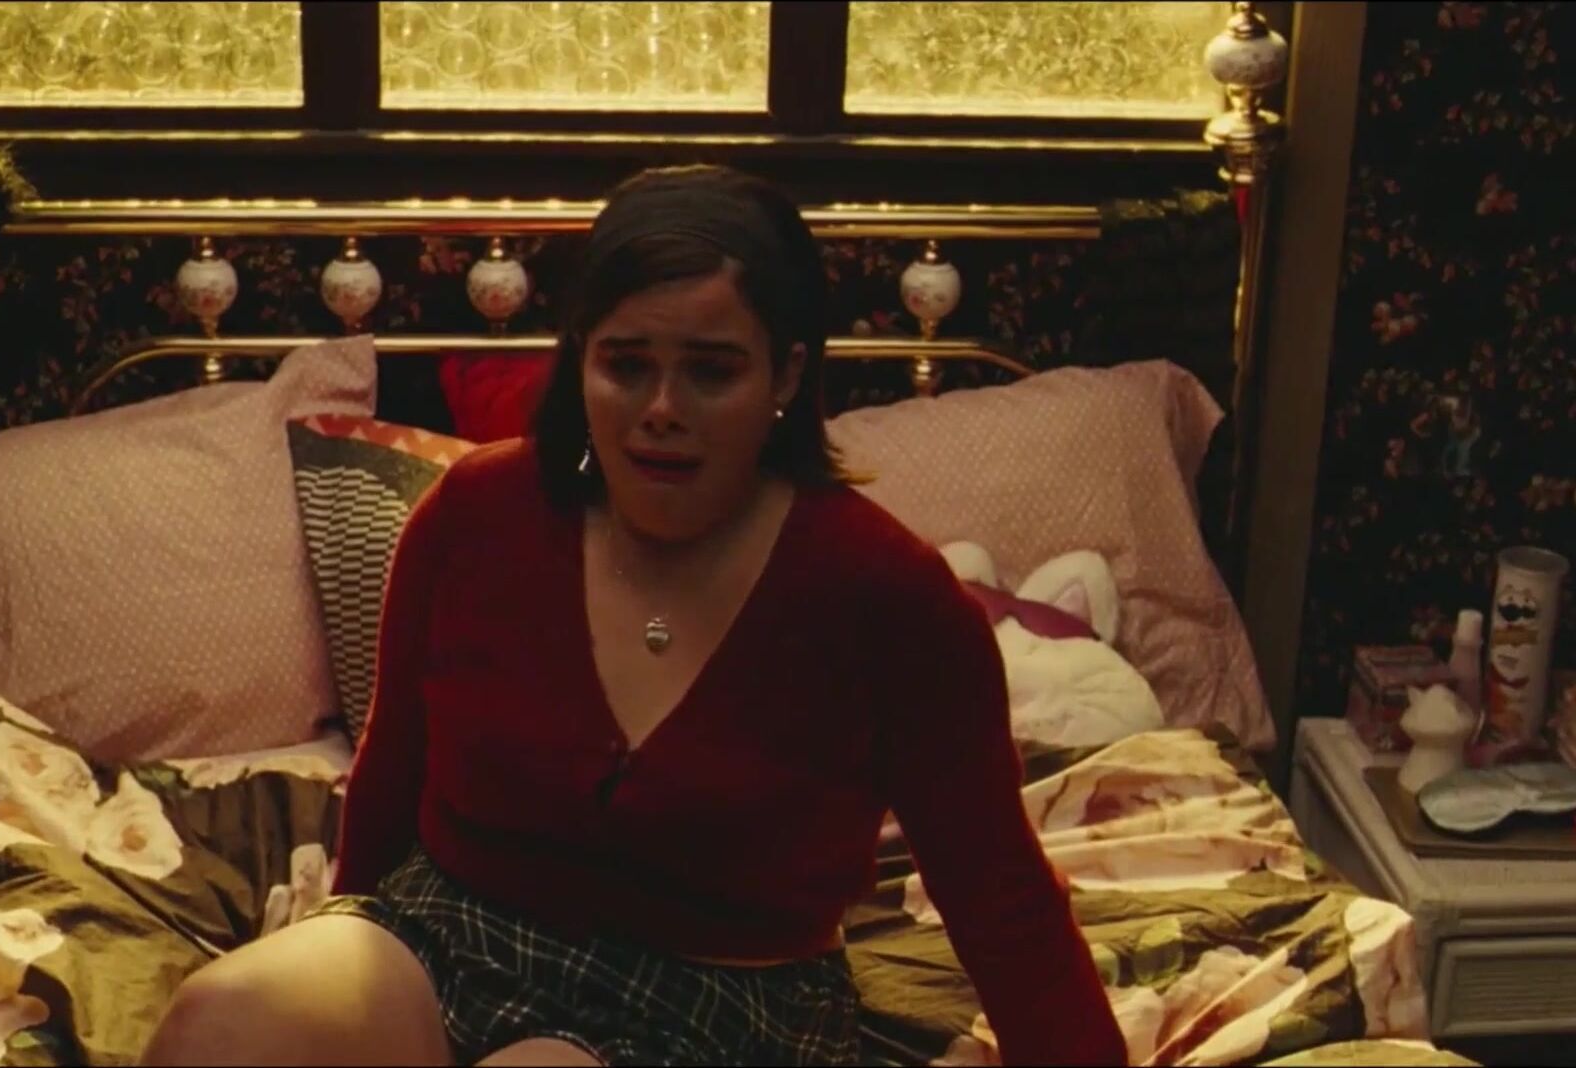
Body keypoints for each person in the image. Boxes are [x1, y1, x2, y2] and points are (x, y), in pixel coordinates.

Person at [141, 165, 1128, 1068]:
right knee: (220, 1020)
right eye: (625, 364)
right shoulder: (477, 515)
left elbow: (1001, 899)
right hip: (453, 931)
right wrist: (344, 944)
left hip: (719, 997)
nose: (661, 408)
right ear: (581, 362)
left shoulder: (888, 596)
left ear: (785, 376)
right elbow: (392, 776)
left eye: (711, 371)